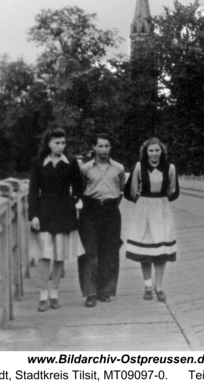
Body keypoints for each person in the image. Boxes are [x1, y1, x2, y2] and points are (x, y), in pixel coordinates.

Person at [28, 128, 83, 312]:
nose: (60, 146)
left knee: (59, 256)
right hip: (44, 212)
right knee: (44, 256)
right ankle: (43, 295)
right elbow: (33, 191)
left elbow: (79, 187)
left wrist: (75, 200)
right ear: (49, 143)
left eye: (63, 143)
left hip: (64, 212)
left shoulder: (71, 163)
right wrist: (33, 215)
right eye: (57, 143)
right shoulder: (38, 163)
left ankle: (54, 294)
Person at [124, 138, 180, 302]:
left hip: (162, 209)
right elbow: (131, 191)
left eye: (157, 150)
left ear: (161, 151)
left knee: (161, 251)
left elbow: (173, 191)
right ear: (145, 152)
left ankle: (159, 286)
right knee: (145, 250)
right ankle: (148, 285)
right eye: (151, 150)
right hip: (144, 209)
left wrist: (160, 201)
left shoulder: (170, 168)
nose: (154, 154)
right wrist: (143, 203)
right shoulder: (139, 167)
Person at [78, 133, 126, 308]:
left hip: (111, 212)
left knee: (110, 251)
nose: (104, 149)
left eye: (107, 146)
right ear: (94, 147)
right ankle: (90, 293)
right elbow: (81, 189)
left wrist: (110, 205)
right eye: (100, 146)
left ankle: (105, 291)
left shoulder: (119, 168)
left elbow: (121, 190)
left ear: (110, 148)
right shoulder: (84, 169)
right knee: (89, 252)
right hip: (90, 211)